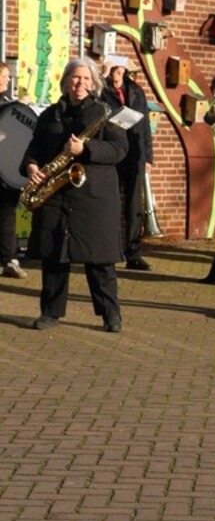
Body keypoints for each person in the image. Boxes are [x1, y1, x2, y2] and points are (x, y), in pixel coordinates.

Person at [21, 57, 128, 332]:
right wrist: (31, 165)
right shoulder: (50, 114)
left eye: (86, 79)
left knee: (99, 261)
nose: (80, 83)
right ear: (66, 80)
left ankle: (111, 315)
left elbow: (119, 149)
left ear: (94, 84)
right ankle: (50, 313)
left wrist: (85, 150)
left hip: (93, 196)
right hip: (56, 194)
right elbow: (35, 147)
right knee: (53, 257)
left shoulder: (106, 112)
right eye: (75, 77)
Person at [102, 58, 154, 270]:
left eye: (118, 69)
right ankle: (110, 251)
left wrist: (148, 156)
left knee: (134, 207)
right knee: (110, 204)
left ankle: (133, 253)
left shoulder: (136, 91)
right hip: (112, 153)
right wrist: (101, 76)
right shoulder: (101, 89)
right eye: (112, 69)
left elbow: (145, 125)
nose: (115, 73)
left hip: (134, 154)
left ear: (124, 70)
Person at [0, 62, 28, 278]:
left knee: (7, 214)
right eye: (5, 76)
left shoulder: (8, 105)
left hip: (6, 170)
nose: (8, 80)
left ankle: (9, 258)